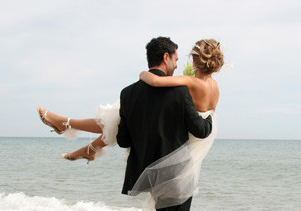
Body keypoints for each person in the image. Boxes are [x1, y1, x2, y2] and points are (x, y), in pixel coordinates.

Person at [118, 36, 213, 211]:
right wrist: (210, 117)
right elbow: (200, 130)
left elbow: (122, 140)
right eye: (175, 57)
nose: (178, 62)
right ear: (166, 57)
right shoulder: (178, 90)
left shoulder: (127, 93)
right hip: (175, 169)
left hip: (144, 170)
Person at [36, 38, 223, 163]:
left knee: (121, 116)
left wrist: (143, 74)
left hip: (181, 130)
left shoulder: (189, 82)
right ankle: (84, 143)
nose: (180, 63)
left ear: (197, 61)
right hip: (195, 132)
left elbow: (156, 80)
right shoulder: (215, 88)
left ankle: (69, 126)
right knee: (119, 118)